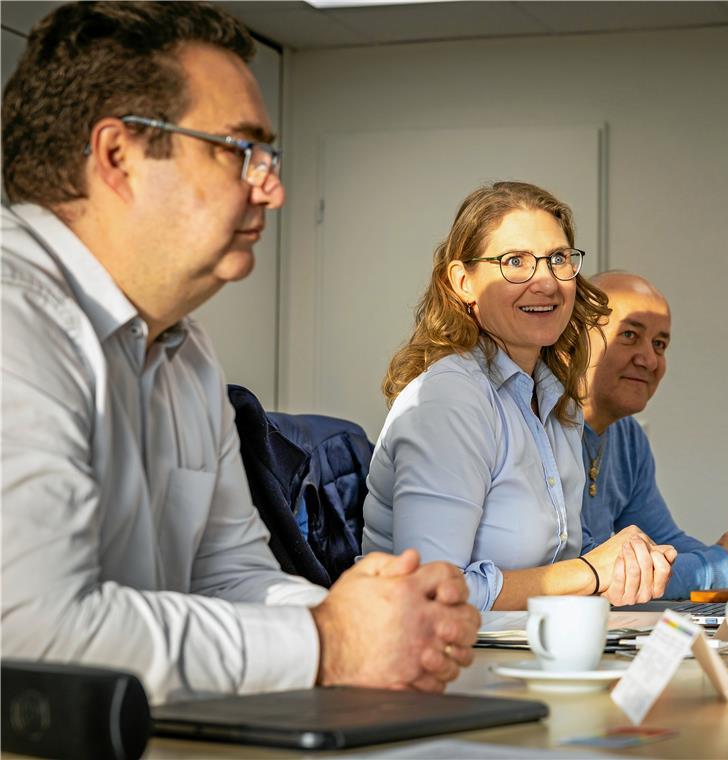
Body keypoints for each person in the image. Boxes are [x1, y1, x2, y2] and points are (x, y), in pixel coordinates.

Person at [1, 1, 478, 705]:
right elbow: (30, 636)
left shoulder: (185, 350)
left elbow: (228, 577)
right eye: (240, 150)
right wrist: (328, 643)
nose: (273, 189)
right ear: (118, 156)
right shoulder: (13, 320)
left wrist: (366, 615)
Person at [362, 182, 677, 611]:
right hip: (445, 663)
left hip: (526, 653)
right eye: (515, 262)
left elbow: (556, 573)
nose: (546, 282)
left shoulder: (556, 403)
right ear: (462, 282)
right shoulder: (449, 400)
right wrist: (591, 572)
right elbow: (431, 594)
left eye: (559, 259)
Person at [580, 272, 728, 599]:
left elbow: (664, 540)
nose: (649, 360)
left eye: (659, 344)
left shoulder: (628, 437)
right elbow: (598, 570)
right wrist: (725, 568)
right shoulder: (545, 427)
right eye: (629, 335)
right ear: (574, 340)